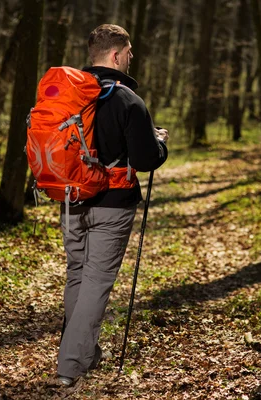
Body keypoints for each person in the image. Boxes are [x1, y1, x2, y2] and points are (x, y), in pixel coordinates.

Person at [56, 24, 169, 386]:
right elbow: (146, 159)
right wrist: (159, 142)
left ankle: (83, 353)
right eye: (130, 51)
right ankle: (69, 367)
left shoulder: (68, 95)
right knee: (96, 283)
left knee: (78, 275)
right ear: (116, 55)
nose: (132, 57)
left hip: (71, 199)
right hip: (113, 205)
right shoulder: (127, 100)